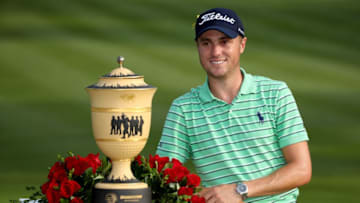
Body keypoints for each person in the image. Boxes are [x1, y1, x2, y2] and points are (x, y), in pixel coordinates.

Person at [156, 7, 312, 203]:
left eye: (224, 41)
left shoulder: (275, 93)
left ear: (242, 44)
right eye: (206, 43)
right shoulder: (183, 109)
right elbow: (164, 176)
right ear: (198, 46)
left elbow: (301, 169)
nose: (215, 52)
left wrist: (240, 190)